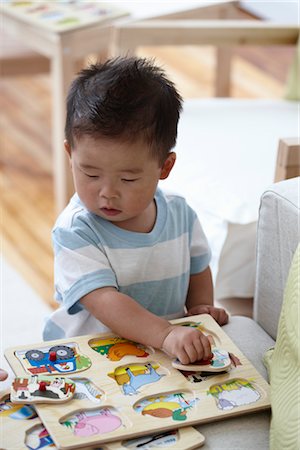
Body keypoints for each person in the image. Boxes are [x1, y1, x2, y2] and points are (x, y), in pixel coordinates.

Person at [43, 57, 228, 364]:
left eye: (128, 178)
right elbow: (105, 300)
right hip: (89, 358)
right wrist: (166, 334)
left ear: (164, 167)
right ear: (70, 154)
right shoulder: (75, 230)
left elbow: (198, 268)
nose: (107, 192)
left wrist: (200, 308)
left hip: (159, 352)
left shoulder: (180, 214)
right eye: (90, 174)